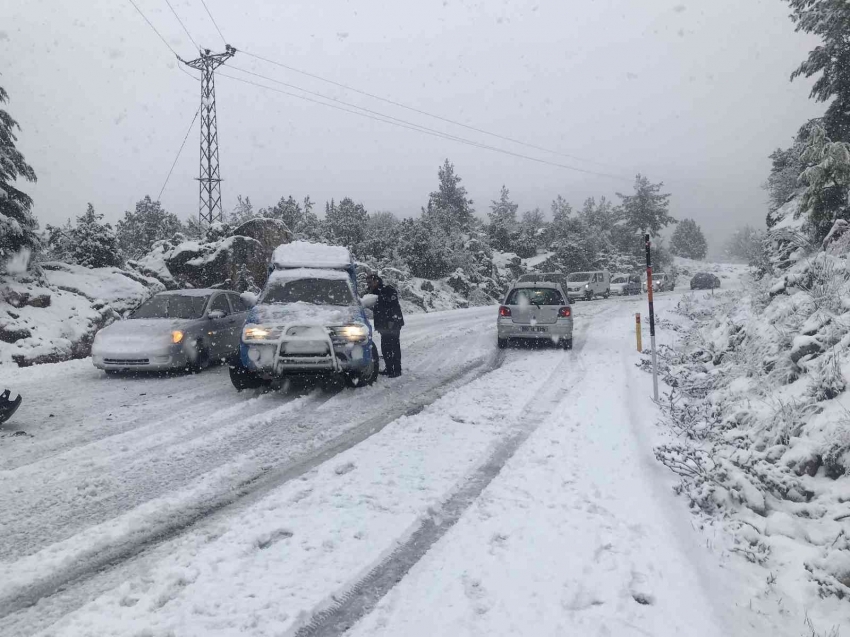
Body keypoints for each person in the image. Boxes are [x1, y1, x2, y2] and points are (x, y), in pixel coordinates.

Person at [366, 273, 404, 377]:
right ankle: (389, 368)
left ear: (376, 281)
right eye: (367, 282)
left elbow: (393, 305)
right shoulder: (372, 293)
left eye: (370, 282)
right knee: (385, 347)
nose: (368, 284)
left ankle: (396, 370)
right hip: (383, 325)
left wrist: (392, 320)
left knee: (394, 346)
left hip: (393, 323)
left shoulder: (387, 289)